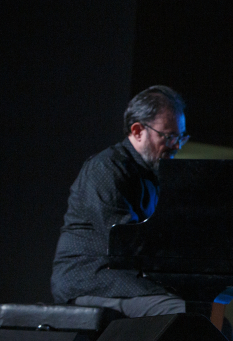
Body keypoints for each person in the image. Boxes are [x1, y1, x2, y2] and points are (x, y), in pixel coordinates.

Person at [51, 85, 190, 317]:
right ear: (137, 131)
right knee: (182, 312)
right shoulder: (106, 168)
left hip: (122, 277)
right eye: (169, 136)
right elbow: (124, 242)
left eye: (181, 137)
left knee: (203, 312)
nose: (176, 145)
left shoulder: (153, 174)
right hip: (90, 278)